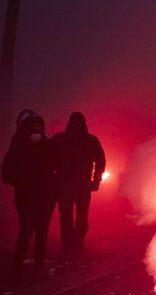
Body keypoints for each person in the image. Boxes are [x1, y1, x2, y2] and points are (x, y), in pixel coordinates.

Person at [2, 110, 57, 280]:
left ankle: (34, 270)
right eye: (34, 127)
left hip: (43, 196)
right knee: (27, 231)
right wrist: (24, 181)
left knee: (40, 233)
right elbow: (7, 173)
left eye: (39, 127)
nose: (37, 130)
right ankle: (18, 270)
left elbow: (54, 167)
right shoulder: (19, 145)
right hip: (28, 196)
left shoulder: (44, 144)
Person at [51, 111, 106, 258]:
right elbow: (100, 161)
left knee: (76, 216)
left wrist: (96, 180)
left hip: (75, 184)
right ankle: (72, 245)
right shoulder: (67, 140)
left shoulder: (62, 140)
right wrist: (96, 180)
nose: (76, 125)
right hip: (71, 184)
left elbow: (100, 161)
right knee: (71, 216)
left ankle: (74, 245)